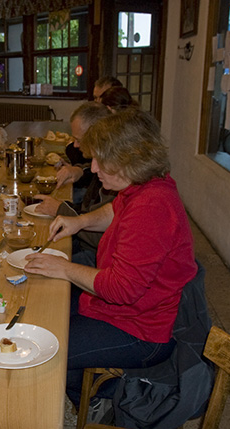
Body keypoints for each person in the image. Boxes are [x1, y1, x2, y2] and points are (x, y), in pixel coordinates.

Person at [23, 109, 197, 407]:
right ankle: (85, 392)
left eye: (100, 161)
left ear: (130, 159)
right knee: (45, 317)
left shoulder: (152, 207)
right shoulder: (143, 185)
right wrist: (80, 222)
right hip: (122, 312)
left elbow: (121, 289)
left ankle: (106, 399)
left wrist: (65, 269)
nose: (92, 168)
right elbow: (116, 209)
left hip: (142, 332)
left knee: (44, 350)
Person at [35, 102, 114, 255]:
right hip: (88, 243)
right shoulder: (112, 170)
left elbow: (102, 239)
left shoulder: (119, 183)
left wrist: (61, 210)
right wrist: (79, 170)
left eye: (79, 139)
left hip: (93, 254)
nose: (75, 145)